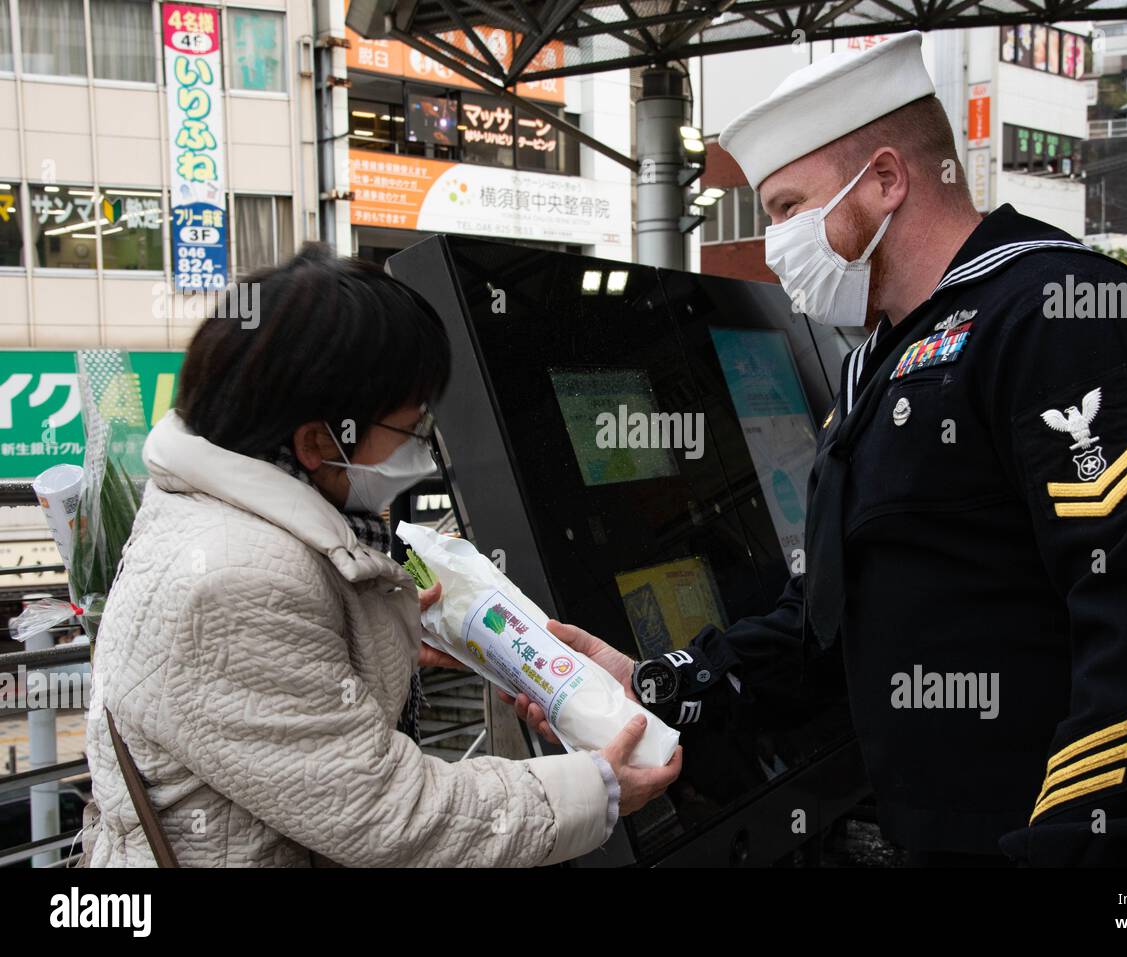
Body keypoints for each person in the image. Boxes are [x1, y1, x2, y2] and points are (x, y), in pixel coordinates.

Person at [508, 33, 1127, 865]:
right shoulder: (878, 365)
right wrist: (664, 680)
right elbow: (836, 613)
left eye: (785, 207)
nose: (777, 241)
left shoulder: (1058, 318)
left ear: (886, 180)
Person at [82, 244, 679, 867]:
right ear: (318, 440)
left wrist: (384, 636)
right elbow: (386, 812)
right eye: (410, 430)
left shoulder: (232, 513)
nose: (422, 452)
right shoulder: (235, 579)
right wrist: (595, 790)